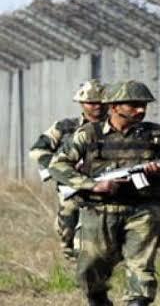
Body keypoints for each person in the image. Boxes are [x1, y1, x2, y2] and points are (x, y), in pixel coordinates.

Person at [49, 80, 160, 306]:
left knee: (141, 266)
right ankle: (97, 297)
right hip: (98, 211)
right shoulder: (88, 134)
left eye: (144, 105)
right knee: (91, 267)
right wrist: (92, 185)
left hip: (143, 209)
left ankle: (137, 301)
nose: (141, 110)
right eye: (133, 105)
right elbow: (58, 165)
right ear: (114, 106)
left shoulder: (157, 135)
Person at [29, 79, 106, 260]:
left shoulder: (116, 128)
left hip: (103, 183)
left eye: (101, 102)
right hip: (71, 184)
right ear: (81, 103)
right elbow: (38, 150)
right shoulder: (65, 127)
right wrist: (61, 166)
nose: (97, 107)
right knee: (68, 221)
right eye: (92, 102)